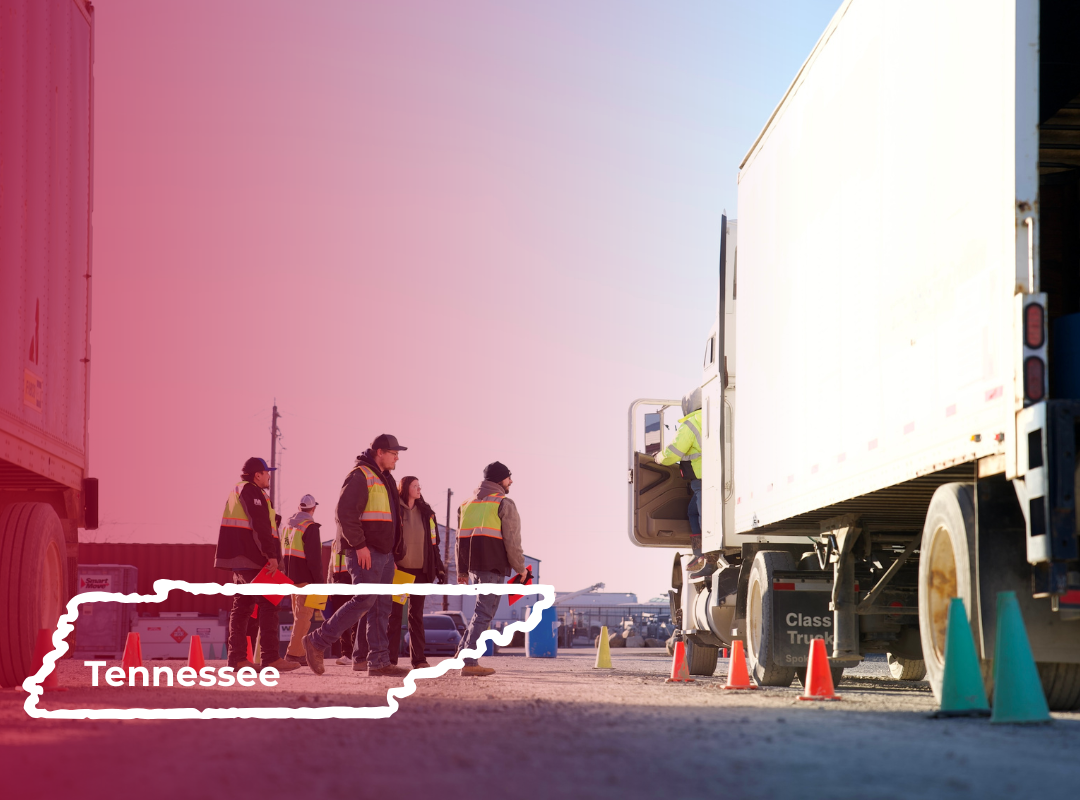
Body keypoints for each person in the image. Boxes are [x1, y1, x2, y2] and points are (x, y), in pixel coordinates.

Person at [302, 434, 411, 677]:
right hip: (365, 552)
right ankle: (317, 641)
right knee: (364, 600)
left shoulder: (385, 479)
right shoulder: (360, 476)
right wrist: (360, 545)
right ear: (380, 452)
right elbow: (344, 512)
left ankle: (379, 662)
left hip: (384, 554)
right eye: (394, 453)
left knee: (381, 607)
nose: (397, 457)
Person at [214, 457, 299, 673]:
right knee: (269, 603)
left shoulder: (242, 491)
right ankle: (271, 658)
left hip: (241, 558)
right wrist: (270, 555)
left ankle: (237, 659)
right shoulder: (251, 491)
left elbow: (264, 521)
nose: (269, 475)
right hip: (252, 557)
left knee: (241, 607)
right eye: (266, 472)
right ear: (256, 475)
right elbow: (259, 525)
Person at [356, 476, 446, 668]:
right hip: (400, 570)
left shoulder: (427, 514)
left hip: (422, 571)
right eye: (415, 485)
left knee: (416, 616)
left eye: (419, 485)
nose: (419, 488)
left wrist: (439, 567)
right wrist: (391, 561)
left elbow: (434, 543)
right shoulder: (395, 510)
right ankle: (390, 660)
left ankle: (419, 659)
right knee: (394, 616)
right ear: (405, 488)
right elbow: (388, 537)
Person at [454, 461, 527, 677]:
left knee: (482, 613)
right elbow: (512, 541)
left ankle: (461, 654)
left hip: (475, 567)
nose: (511, 481)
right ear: (498, 480)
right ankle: (469, 661)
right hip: (493, 566)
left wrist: (462, 571)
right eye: (508, 477)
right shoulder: (504, 503)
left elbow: (460, 541)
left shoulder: (466, 504)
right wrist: (520, 568)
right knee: (484, 613)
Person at [655, 388, 707, 570]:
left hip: (703, 480)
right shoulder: (719, 416)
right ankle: (700, 555)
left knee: (702, 516)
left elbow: (673, 453)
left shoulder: (691, 423)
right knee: (695, 512)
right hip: (721, 479)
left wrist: (657, 458)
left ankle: (704, 555)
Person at [282, 494, 323, 666]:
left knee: (299, 617)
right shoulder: (310, 527)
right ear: (313, 509)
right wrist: (320, 584)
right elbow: (314, 559)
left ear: (300, 508)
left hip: (291, 579)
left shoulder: (288, 527)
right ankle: (294, 654)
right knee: (304, 618)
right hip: (306, 579)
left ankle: (298, 652)